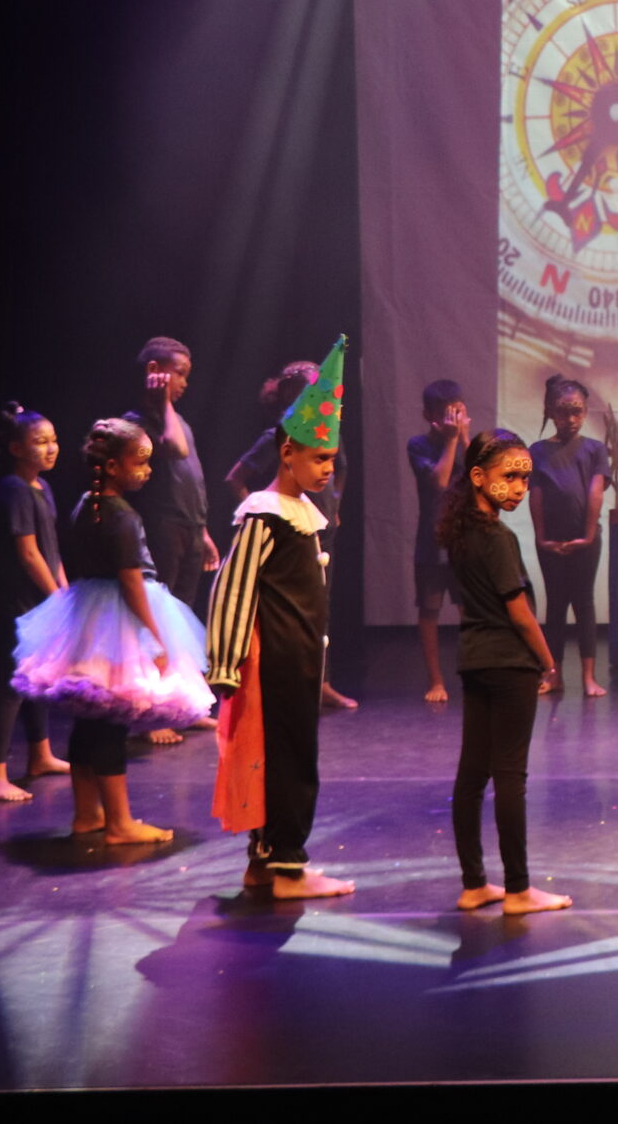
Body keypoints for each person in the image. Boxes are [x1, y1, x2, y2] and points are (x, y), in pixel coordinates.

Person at [11, 417, 212, 845]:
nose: (148, 471)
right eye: (140, 463)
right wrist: (155, 637)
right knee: (112, 725)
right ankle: (119, 823)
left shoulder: (87, 502)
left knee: (91, 720)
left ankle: (87, 815)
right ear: (115, 466)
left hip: (87, 615)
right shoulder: (121, 515)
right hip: (116, 620)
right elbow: (132, 582)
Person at [208, 337, 354, 899]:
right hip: (273, 667)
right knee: (287, 762)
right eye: (317, 458)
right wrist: (222, 664)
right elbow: (233, 589)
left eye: (331, 460)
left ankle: (264, 867)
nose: (326, 469)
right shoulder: (265, 515)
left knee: (290, 757)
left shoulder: (299, 514)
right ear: (287, 452)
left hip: (297, 662)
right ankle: (286, 868)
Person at [440, 432, 572, 915]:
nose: (518, 487)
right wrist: (548, 660)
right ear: (478, 477)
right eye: (508, 476)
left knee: (472, 774)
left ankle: (474, 884)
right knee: (509, 776)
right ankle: (518, 889)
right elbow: (517, 611)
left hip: (475, 658)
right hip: (509, 661)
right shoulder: (497, 536)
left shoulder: (462, 531)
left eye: (524, 478)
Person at [228, 360, 356, 711]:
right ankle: (292, 683)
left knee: (322, 608)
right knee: (292, 612)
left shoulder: (327, 431)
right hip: (291, 539)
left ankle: (321, 682)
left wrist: (336, 505)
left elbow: (342, 467)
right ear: (291, 395)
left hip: (322, 532)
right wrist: (263, 513)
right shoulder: (277, 438)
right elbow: (235, 479)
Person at [123, 337, 218, 740]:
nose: (183, 383)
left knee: (180, 618)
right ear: (155, 371)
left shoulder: (177, 420)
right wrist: (162, 402)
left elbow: (191, 480)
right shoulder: (138, 424)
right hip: (162, 528)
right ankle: (152, 715)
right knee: (158, 622)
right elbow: (175, 452)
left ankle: (181, 704)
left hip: (189, 527)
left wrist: (204, 531)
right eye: (178, 374)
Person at [0, 402, 69, 802]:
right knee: (12, 683)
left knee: (37, 678)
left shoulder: (42, 487)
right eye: (40, 441)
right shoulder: (13, 488)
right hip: (17, 600)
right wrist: (55, 597)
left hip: (40, 597)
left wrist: (63, 590)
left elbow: (51, 551)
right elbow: (28, 553)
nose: (51, 448)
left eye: (53, 440)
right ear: (17, 448)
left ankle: (40, 754)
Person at [529, 376, 611, 700]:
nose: (571, 419)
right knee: (556, 605)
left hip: (585, 541)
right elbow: (535, 496)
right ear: (549, 411)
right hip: (552, 543)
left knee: (585, 603)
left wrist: (588, 536)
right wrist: (541, 539)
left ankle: (589, 677)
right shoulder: (537, 450)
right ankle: (555, 674)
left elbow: (595, 493)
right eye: (564, 412)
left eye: (577, 412)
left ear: (585, 411)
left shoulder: (594, 449)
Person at [404, 378, 470, 704]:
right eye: (445, 412)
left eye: (456, 411)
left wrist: (465, 439)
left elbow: (483, 478)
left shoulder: (469, 443)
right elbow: (440, 482)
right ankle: (436, 679)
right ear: (427, 414)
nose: (452, 419)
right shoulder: (418, 445)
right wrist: (451, 442)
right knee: (429, 610)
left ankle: (474, 674)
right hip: (432, 542)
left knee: (469, 610)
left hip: (465, 542)